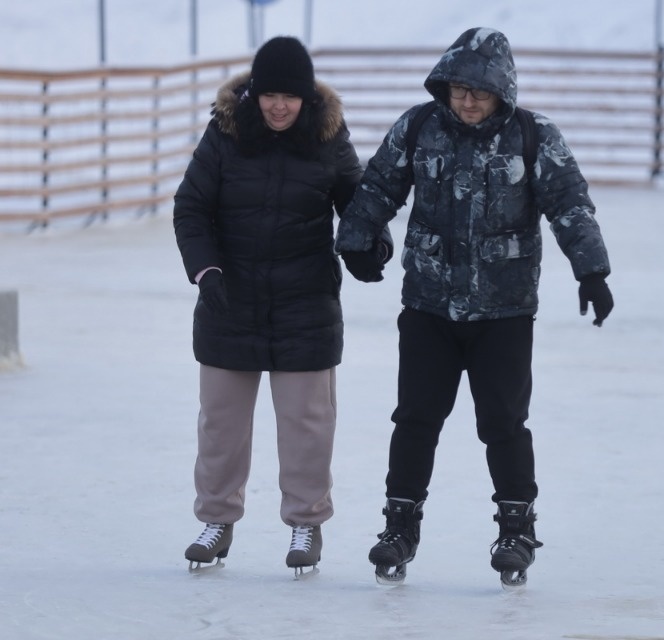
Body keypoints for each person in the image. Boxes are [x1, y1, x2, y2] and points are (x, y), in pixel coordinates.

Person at [334, 27, 613, 587]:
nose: (466, 101)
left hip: (504, 313)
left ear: (502, 93)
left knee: (504, 424)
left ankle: (516, 530)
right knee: (415, 420)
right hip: (428, 307)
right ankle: (398, 528)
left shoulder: (534, 136)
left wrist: (592, 270)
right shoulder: (419, 126)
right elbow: (378, 188)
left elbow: (569, 204)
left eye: (478, 93)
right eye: (459, 89)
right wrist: (356, 242)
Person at [173, 36, 377, 574]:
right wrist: (206, 269)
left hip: (304, 302)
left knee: (307, 422)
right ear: (255, 95)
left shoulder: (328, 139)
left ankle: (306, 526)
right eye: (269, 95)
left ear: (307, 97)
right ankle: (217, 520)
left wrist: (367, 247)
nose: (279, 106)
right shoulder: (225, 135)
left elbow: (357, 203)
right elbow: (190, 207)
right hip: (228, 299)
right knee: (221, 423)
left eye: (290, 95)